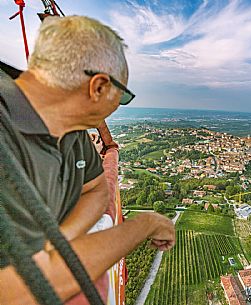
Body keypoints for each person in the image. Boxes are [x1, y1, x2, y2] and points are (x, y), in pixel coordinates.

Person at [0, 15, 175, 304]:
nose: (117, 108)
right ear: (98, 88)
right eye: (122, 97)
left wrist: (58, 242)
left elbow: (96, 189)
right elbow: (20, 290)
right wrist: (145, 224)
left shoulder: (71, 129)